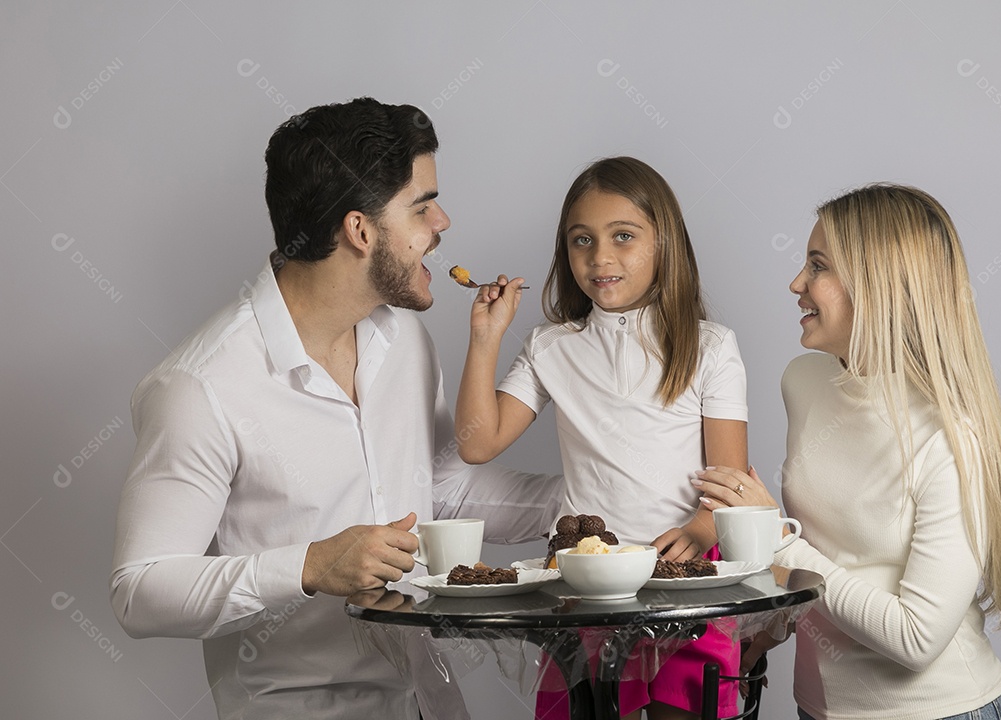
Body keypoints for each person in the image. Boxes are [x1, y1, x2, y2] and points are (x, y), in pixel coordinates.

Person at [109, 97, 562, 720]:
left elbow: (442, 493)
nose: (443, 223)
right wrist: (311, 566)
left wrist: (592, 499)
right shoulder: (199, 387)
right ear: (359, 230)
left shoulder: (404, 339)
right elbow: (140, 591)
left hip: (429, 702)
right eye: (423, 206)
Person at [694, 184, 1001, 719]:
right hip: (820, 708)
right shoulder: (803, 381)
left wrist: (773, 536)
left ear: (880, 288)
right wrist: (771, 624)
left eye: (818, 266)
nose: (796, 283)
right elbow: (833, 553)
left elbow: (917, 638)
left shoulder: (950, 437)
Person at [455, 156, 748, 720]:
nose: (600, 257)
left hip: (683, 578)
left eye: (623, 237)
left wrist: (702, 527)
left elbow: (729, 481)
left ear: (665, 244)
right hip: (583, 579)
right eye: (581, 240)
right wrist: (486, 339)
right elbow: (477, 442)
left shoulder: (711, 346)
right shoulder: (550, 346)